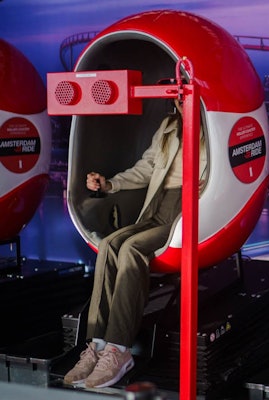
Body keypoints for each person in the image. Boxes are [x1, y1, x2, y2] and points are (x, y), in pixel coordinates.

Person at [63, 97, 207, 389]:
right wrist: (110, 184)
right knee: (109, 245)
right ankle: (97, 345)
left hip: (190, 210)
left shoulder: (211, 130)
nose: (181, 101)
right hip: (158, 205)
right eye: (177, 96)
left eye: (186, 95)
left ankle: (119, 349)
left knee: (132, 248)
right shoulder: (168, 127)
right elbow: (147, 167)